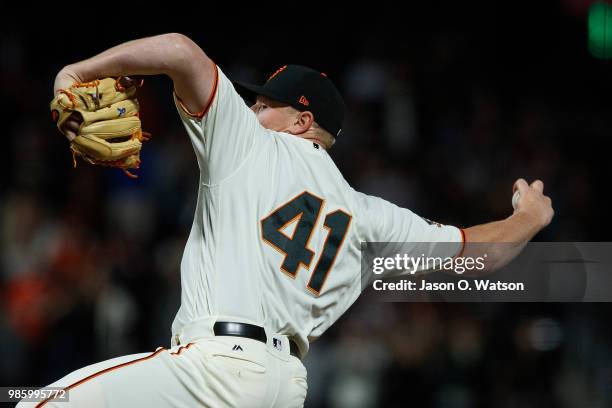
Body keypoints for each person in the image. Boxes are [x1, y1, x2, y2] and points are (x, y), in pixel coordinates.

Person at [23, 33, 553, 407]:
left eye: (264, 104)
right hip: (285, 386)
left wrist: (77, 73)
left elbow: (179, 51)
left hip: (215, 369)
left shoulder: (251, 146)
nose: (251, 110)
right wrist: (528, 217)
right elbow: (480, 253)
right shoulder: (371, 215)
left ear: (302, 122)